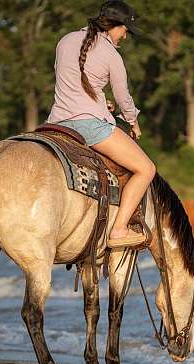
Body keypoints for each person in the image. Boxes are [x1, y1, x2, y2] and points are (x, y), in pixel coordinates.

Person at [46, 1, 155, 248]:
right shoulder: (110, 55)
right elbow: (123, 98)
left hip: (56, 122)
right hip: (88, 126)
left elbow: (70, 83)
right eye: (125, 29)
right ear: (114, 26)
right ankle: (119, 230)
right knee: (146, 169)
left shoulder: (64, 40)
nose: (125, 36)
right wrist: (133, 122)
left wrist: (97, 100)